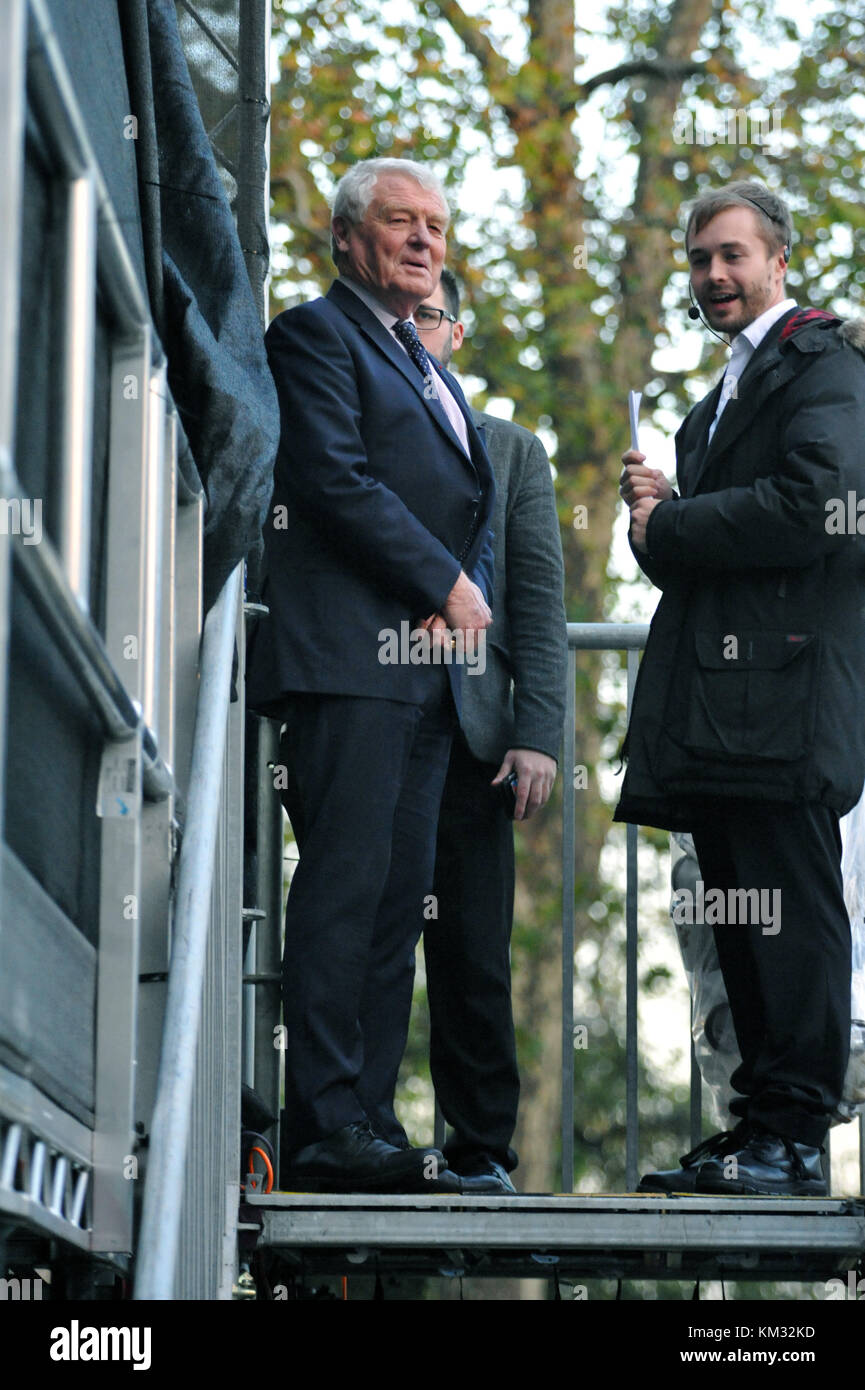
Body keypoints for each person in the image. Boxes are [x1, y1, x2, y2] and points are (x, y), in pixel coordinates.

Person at [246, 158, 496, 1193]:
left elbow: (463, 497)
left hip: (425, 675)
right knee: (347, 888)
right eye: (400, 223)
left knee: (399, 900)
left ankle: (368, 1127)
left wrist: (456, 600)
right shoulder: (313, 334)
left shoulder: (422, 358)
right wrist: (445, 582)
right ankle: (321, 1119)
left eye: (435, 225)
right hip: (348, 663)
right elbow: (336, 482)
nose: (423, 242)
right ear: (348, 239)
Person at [616, 180, 865, 1196]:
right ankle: (761, 1128)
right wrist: (656, 521)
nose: (714, 275)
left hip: (789, 701)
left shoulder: (827, 365)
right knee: (741, 916)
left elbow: (819, 503)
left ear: (777, 261)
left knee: (791, 918)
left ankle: (796, 1136)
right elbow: (694, 562)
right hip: (721, 711)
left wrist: (674, 521)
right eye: (699, 259)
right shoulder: (715, 397)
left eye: (731, 255)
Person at [362, 268, 567, 1194]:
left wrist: (539, 734)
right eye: (403, 316)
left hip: (475, 740)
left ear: (456, 331)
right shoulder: (359, 433)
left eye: (432, 316)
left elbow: (539, 602)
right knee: (363, 934)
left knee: (473, 952)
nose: (418, 329)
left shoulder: (512, 451)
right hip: (371, 720)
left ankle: (483, 1152)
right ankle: (362, 1133)